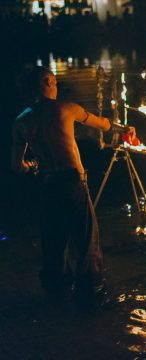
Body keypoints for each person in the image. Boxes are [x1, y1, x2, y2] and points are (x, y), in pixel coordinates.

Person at [11, 67, 131, 307]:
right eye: (54, 82)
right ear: (46, 82)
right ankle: (90, 295)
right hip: (72, 183)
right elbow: (102, 124)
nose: (56, 86)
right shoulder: (66, 108)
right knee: (86, 240)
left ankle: (55, 292)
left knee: (54, 239)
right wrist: (124, 129)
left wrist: (33, 164)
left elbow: (17, 167)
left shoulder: (21, 121)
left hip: (48, 185)